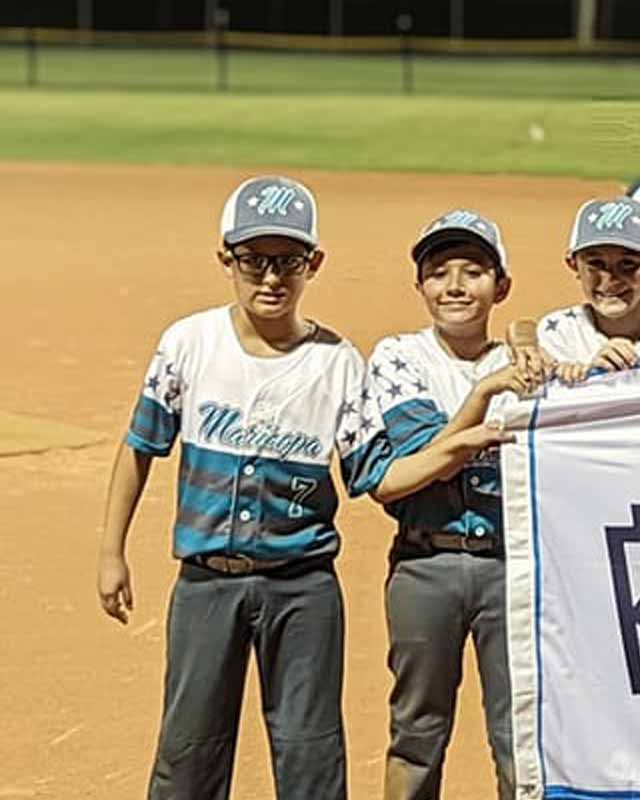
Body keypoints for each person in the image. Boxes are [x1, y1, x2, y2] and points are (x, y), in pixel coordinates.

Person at [96, 178, 513, 800]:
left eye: (288, 261)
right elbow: (141, 446)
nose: (271, 277)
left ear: (312, 264)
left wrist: (457, 440)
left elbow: (376, 476)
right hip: (206, 580)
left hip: (303, 586)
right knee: (188, 751)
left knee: (310, 754)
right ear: (226, 259)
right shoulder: (189, 343)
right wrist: (111, 551)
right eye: (253, 260)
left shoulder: (338, 363)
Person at [369, 209, 538, 800]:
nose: (456, 287)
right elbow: (418, 458)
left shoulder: (527, 360)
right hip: (425, 564)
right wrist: (484, 394)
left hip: (511, 570)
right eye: (439, 273)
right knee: (416, 731)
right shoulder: (398, 357)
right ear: (420, 287)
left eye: (474, 271)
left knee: (521, 733)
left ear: (502, 285)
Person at [509, 196, 640, 383]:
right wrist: (591, 375)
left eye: (628, 263)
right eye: (596, 263)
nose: (610, 279)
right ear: (573, 265)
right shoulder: (560, 333)